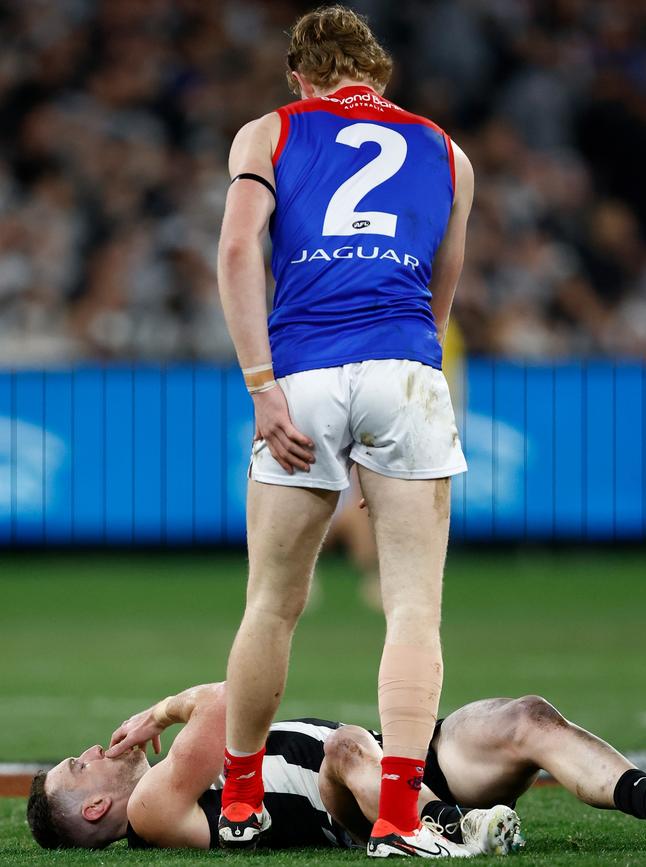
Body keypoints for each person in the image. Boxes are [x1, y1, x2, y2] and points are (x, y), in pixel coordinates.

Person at [217, 6, 473, 856]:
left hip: (304, 373)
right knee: (412, 607)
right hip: (405, 365)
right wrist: (400, 410)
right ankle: (400, 818)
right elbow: (442, 292)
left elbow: (237, 252)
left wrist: (262, 387)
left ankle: (244, 803)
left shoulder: (269, 132)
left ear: (300, 75)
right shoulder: (446, 151)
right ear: (379, 71)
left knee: (272, 604)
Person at [27, 682, 646, 854]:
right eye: (77, 767)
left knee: (526, 717)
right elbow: (226, 698)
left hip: (402, 756)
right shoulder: (149, 809)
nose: (91, 751)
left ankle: (641, 794)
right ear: (94, 808)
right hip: (354, 804)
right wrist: (161, 712)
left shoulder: (159, 794)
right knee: (346, 747)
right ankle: (450, 826)